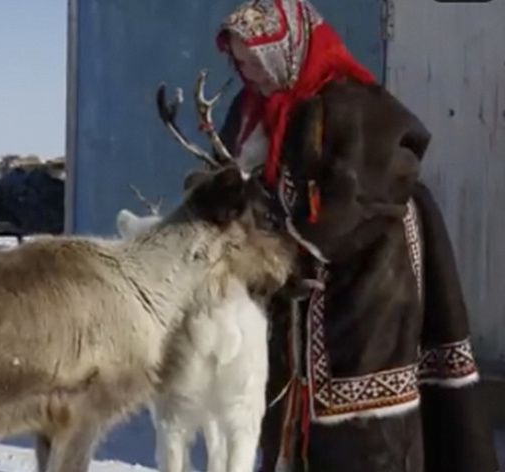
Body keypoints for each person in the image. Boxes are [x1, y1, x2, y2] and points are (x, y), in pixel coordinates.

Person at [211, 1, 500, 471]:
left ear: (286, 51)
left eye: (256, 61)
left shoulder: (353, 105)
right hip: (297, 299)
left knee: (362, 434)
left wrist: (291, 242)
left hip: (369, 283)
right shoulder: (253, 112)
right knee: (291, 423)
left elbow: (366, 191)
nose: (250, 73)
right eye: (241, 63)